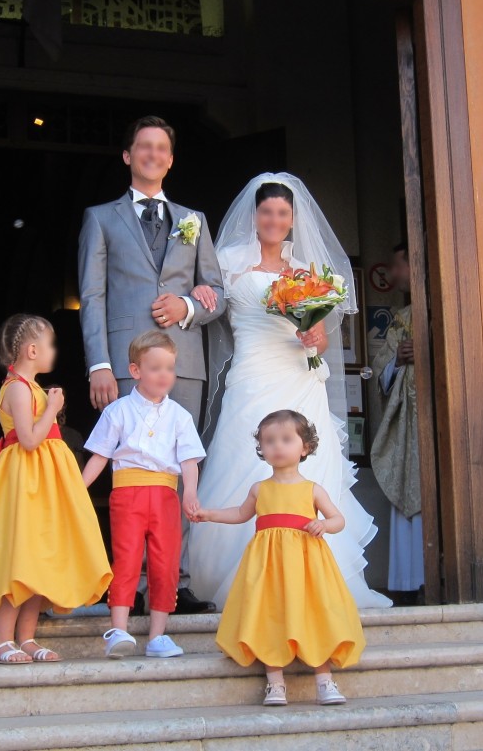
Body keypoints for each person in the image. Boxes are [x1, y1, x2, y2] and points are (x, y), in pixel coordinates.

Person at [187, 173, 391, 611]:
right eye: (267, 212)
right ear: (254, 216)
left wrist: (314, 339)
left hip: (298, 377)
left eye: (283, 213)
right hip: (252, 374)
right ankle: (245, 580)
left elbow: (319, 335)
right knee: (243, 459)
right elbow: (205, 299)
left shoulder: (305, 274)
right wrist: (199, 292)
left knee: (308, 464)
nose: (274, 220)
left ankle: (315, 578)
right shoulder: (227, 261)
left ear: (293, 219)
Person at [78, 115, 224, 615]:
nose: (153, 155)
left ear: (170, 159)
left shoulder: (195, 220)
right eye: (144, 147)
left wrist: (189, 309)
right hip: (125, 361)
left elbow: (217, 295)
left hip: (184, 363)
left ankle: (173, 583)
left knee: (182, 470)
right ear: (128, 155)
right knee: (131, 470)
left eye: (162, 148)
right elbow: (92, 296)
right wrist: (99, 363)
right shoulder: (100, 218)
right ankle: (133, 586)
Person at [0, 314, 113, 663]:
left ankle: (27, 637)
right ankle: (3, 640)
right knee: (20, 555)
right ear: (32, 350)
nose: (53, 352)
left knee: (41, 557)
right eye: (50, 345)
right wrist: (55, 408)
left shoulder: (31, 387)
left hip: (42, 484)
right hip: (24, 482)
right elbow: (29, 439)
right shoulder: (16, 387)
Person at [192, 410, 365, 707]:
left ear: (305, 447)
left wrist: (323, 524)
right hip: (269, 565)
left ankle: (324, 681)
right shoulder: (259, 489)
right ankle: (275, 683)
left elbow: (338, 519)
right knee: (270, 614)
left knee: (313, 614)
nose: (277, 446)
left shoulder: (312, 489)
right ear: (262, 448)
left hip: (306, 565)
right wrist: (209, 514)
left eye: (286, 440)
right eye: (269, 441)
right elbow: (239, 514)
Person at [81, 330, 206, 658]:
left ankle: (157, 636)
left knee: (166, 563)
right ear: (136, 371)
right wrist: (78, 490)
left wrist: (189, 493)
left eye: (170, 368)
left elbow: (189, 461)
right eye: (156, 368)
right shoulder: (118, 411)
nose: (165, 375)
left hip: (166, 495)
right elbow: (100, 456)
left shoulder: (180, 415)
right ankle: (118, 630)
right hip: (127, 493)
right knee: (127, 559)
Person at [369, 242, 424, 604]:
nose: (393, 272)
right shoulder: (400, 318)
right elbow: (380, 375)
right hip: (408, 427)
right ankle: (408, 584)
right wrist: (398, 362)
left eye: (398, 265)